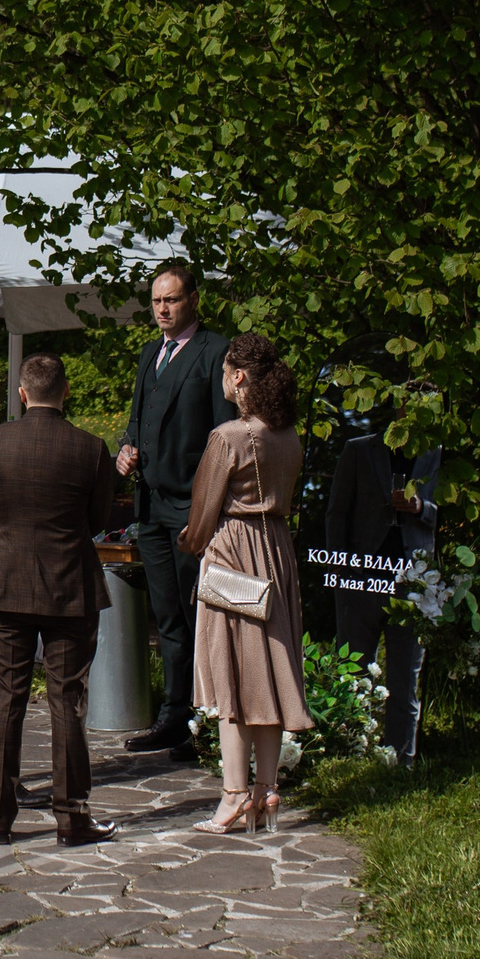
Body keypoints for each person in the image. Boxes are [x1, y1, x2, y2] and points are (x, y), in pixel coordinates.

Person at [0, 354, 122, 846]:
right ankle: (72, 818)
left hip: (5, 580)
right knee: (67, 701)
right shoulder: (92, 449)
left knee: (6, 699)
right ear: (67, 390)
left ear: (21, 392)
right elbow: (98, 519)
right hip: (68, 583)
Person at [180, 334, 311, 832]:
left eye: (224, 372)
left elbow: (203, 512)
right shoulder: (288, 435)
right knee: (269, 672)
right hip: (275, 550)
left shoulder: (229, 436)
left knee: (233, 673)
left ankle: (233, 796)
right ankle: (267, 790)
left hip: (233, 551)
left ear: (238, 377)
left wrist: (190, 542)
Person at [117, 259, 236, 760]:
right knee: (165, 618)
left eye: (172, 300)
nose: (162, 309)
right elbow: (137, 418)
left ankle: (206, 721)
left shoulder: (215, 352)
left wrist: (206, 509)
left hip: (193, 508)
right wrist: (126, 448)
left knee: (198, 616)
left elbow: (223, 434)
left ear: (193, 301)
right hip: (151, 506)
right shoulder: (151, 353)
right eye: (156, 301)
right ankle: (174, 716)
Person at [325, 427, 442, 766]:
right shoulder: (359, 449)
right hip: (361, 577)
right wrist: (340, 570)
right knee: (353, 674)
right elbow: (337, 512)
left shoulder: (437, 454)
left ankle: (399, 763)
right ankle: (352, 759)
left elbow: (449, 512)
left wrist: (421, 507)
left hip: (414, 580)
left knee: (406, 681)